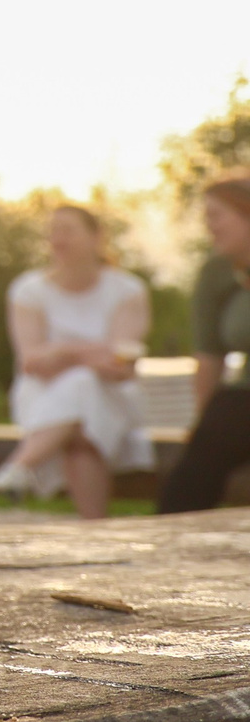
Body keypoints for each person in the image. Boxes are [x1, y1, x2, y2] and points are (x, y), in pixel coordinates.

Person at [0, 206, 151, 518]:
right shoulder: (28, 289)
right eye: (53, 231)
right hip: (43, 396)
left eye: (68, 230)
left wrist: (61, 353)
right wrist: (90, 354)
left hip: (111, 396)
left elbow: (121, 362)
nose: (58, 239)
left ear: (96, 237)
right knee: (82, 427)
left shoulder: (128, 289)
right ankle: (94, 531)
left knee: (84, 386)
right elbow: (31, 361)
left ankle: (21, 465)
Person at [156, 176, 250, 513]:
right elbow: (209, 356)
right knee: (200, 459)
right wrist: (202, 427)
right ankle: (173, 536)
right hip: (243, 400)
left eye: (216, 215)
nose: (209, 227)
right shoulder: (217, 272)